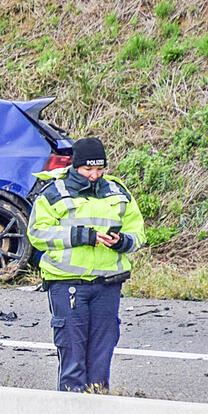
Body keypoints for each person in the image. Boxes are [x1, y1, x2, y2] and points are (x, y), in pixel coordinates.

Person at [27, 137, 145, 392]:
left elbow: (138, 233)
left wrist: (121, 241)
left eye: (99, 169)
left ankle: (98, 407)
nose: (94, 175)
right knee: (72, 353)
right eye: (88, 169)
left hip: (108, 283)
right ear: (75, 166)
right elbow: (37, 234)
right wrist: (85, 236)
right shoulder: (53, 192)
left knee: (102, 356)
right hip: (68, 284)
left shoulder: (117, 191)